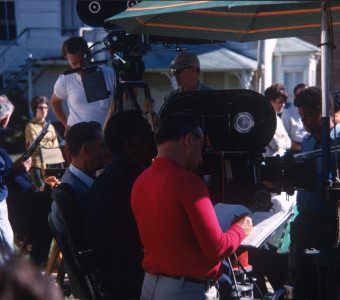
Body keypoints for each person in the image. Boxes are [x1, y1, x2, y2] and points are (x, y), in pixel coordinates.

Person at [131, 112, 253, 300]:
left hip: (151, 285)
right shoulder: (188, 182)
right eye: (202, 146)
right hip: (185, 289)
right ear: (189, 140)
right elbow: (217, 249)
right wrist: (241, 228)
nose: (201, 159)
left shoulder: (141, 180)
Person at [84, 110, 157, 299]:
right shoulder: (131, 179)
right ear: (129, 144)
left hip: (114, 276)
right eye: (146, 131)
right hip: (127, 280)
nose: (153, 136)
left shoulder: (111, 176)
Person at [50, 121, 109, 299]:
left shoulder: (71, 183)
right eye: (103, 147)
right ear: (86, 150)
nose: (107, 153)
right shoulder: (76, 194)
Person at [292, 86, 340, 299]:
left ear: (322, 112)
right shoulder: (308, 142)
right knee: (305, 287)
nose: (303, 121)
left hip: (332, 229)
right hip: (306, 224)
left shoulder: (338, 141)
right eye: (301, 116)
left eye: (308, 115)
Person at [0, 96, 52, 266]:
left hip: (24, 197)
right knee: (51, 202)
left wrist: (16, 168)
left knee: (53, 198)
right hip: (15, 205)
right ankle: (37, 262)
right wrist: (14, 170)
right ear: (5, 118)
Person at [50, 36, 116, 134]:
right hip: (77, 137)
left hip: (105, 135)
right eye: (74, 64)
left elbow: (131, 97)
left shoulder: (109, 74)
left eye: (82, 61)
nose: (79, 66)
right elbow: (55, 103)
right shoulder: (65, 79)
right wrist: (66, 124)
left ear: (89, 54)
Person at [25, 96, 60, 190]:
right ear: (35, 109)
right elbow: (36, 146)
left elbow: (56, 146)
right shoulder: (30, 126)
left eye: (45, 107)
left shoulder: (50, 127)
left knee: (52, 191)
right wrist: (50, 148)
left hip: (51, 165)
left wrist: (50, 149)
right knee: (41, 191)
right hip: (37, 165)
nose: (43, 110)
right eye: (40, 107)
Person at [263, 83, 291, 157]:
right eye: (280, 102)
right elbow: (275, 145)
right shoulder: (264, 119)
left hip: (280, 161)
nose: (283, 105)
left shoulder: (278, 119)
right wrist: (283, 139)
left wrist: (281, 141)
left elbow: (289, 143)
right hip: (269, 162)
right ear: (271, 101)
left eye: (284, 102)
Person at [281, 83, 308, 154]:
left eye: (306, 95)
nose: (304, 98)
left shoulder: (314, 112)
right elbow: (284, 137)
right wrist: (301, 147)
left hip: (313, 149)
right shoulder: (288, 113)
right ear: (295, 97)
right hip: (295, 151)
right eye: (300, 95)